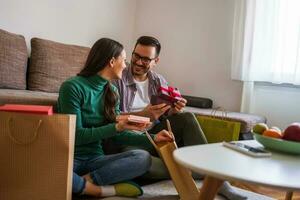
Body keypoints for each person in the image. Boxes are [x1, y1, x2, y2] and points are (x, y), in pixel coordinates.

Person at [113, 36, 247, 200]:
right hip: (130, 138)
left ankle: (218, 181)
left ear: (156, 61)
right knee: (139, 160)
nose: (139, 62)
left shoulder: (158, 80)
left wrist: (173, 111)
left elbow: (163, 116)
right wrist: (143, 114)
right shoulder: (118, 78)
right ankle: (202, 171)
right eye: (136, 56)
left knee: (187, 117)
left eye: (146, 59)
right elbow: (112, 118)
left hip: (156, 133)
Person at [57, 38, 173, 198]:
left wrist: (154, 138)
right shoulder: (72, 87)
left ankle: (83, 183)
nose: (126, 65)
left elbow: (118, 136)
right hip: (70, 157)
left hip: (95, 160)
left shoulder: (111, 91)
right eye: (124, 60)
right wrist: (117, 127)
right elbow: (76, 135)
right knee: (46, 167)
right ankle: (99, 190)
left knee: (142, 157)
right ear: (112, 61)